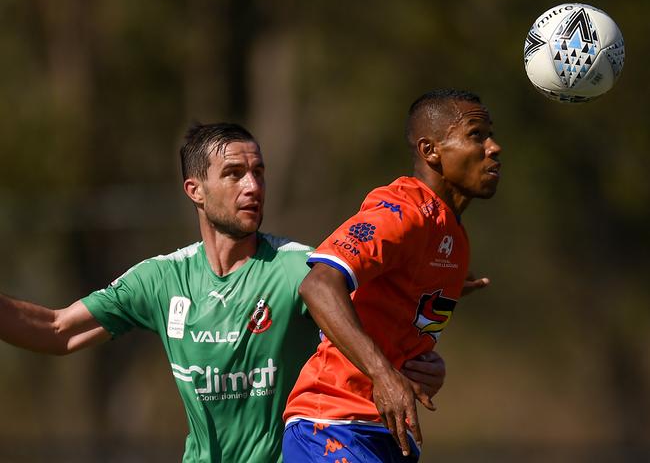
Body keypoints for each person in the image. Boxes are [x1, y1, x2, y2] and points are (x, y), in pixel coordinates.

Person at [0, 122, 448, 463]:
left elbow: (380, 333)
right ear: (194, 190)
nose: (252, 186)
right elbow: (57, 330)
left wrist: (420, 361)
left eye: (258, 172)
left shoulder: (302, 270)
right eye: (234, 174)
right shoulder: (161, 279)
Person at [282, 89, 502, 462]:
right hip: (331, 423)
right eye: (476, 135)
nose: (494, 148)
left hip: (385, 431)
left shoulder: (453, 236)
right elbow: (318, 284)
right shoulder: (402, 211)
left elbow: (395, 309)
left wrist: (422, 364)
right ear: (430, 151)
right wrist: (384, 375)